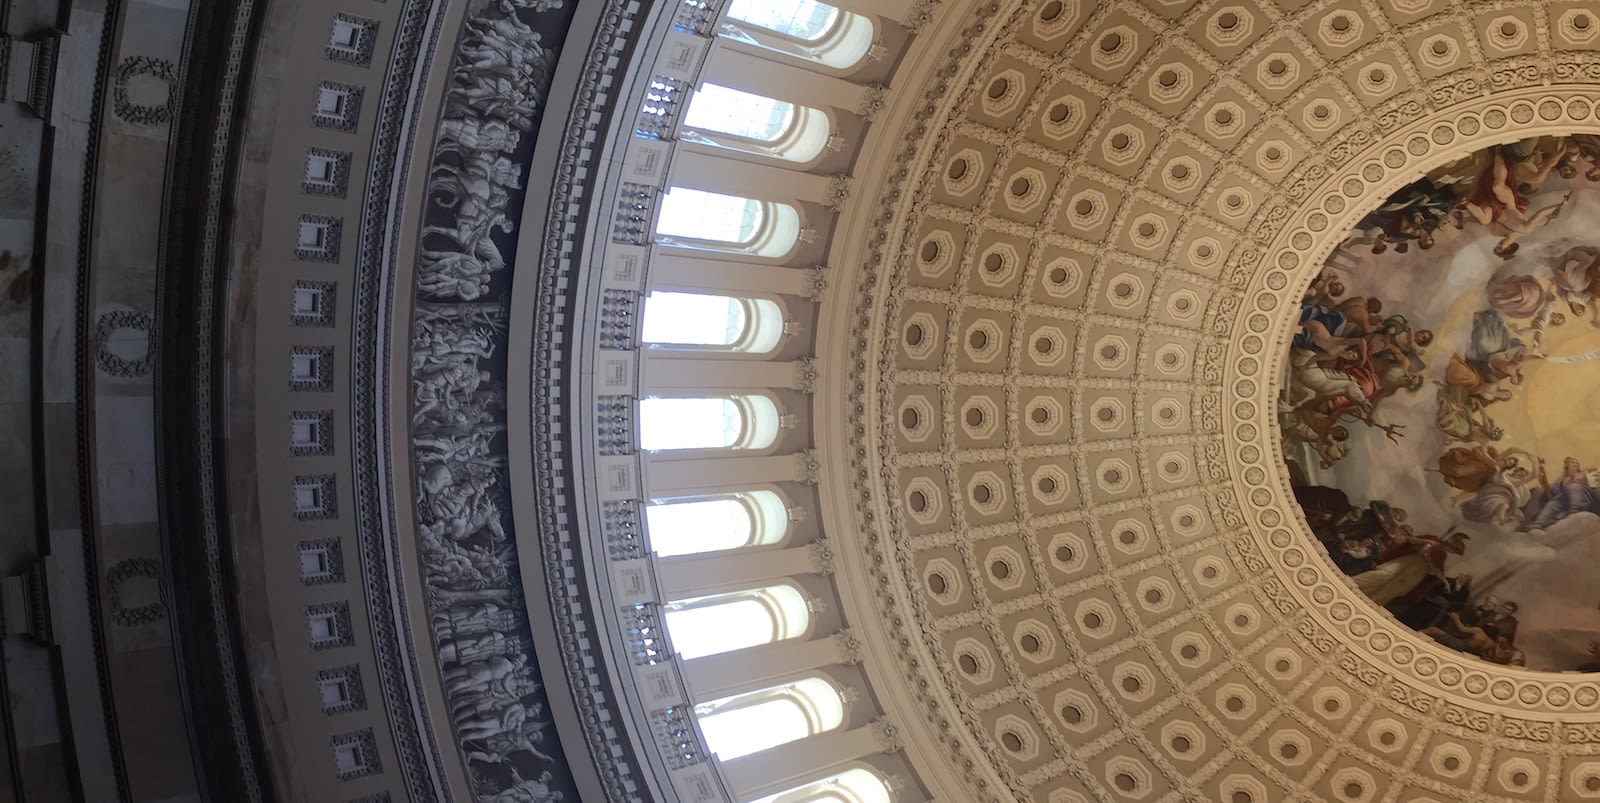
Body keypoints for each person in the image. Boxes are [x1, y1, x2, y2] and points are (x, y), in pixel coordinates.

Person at [1352, 531, 1468, 607]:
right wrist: (1427, 542)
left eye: (1455, 550)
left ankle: (1368, 607)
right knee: (1383, 575)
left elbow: (1437, 569)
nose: (1453, 550)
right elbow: (1411, 540)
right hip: (1407, 562)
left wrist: (1445, 582)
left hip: (1417, 573)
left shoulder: (1442, 555)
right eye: (1454, 547)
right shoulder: (1432, 539)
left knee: (1391, 591)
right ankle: (1353, 585)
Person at [1521, 456, 1600, 530]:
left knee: (1573, 487)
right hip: (1566, 502)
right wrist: (1545, 483)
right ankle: (1539, 523)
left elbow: (1597, 476)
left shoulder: (1585, 473)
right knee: (1553, 503)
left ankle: (1575, 511)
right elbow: (1552, 494)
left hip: (1586, 498)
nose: (1573, 464)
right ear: (1566, 466)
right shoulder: (1562, 480)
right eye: (1570, 463)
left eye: (1574, 462)